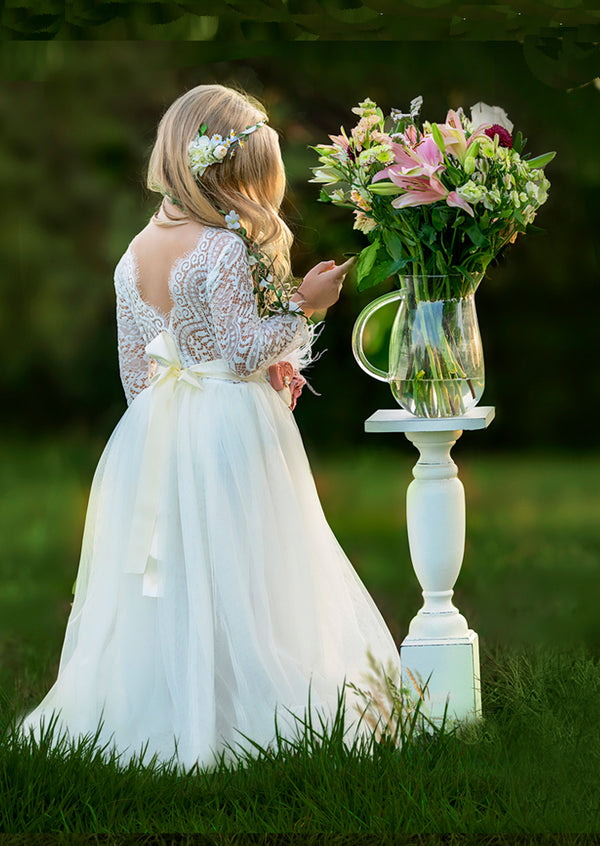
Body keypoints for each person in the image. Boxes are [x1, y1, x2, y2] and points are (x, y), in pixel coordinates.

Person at [16, 84, 403, 773]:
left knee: (177, 575)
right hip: (228, 423)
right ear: (229, 172)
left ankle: (176, 704)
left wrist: (164, 424)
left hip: (155, 430)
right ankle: (248, 706)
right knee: (252, 565)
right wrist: (308, 308)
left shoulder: (131, 256)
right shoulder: (221, 247)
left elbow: (135, 371)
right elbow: (246, 349)